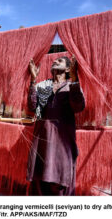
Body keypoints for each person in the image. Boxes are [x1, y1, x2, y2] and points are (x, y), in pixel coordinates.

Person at [27, 56, 85, 196]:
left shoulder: (71, 86)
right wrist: (33, 80)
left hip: (62, 142)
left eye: (59, 61)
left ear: (67, 68)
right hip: (42, 139)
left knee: (59, 182)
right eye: (54, 61)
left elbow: (78, 107)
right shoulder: (43, 86)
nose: (54, 62)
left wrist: (75, 78)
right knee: (39, 180)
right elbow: (32, 106)